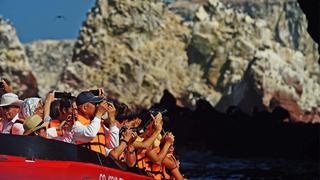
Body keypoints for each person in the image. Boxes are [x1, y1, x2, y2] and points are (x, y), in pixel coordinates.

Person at [73, 91, 109, 155]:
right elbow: (90, 134)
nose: (98, 106)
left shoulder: (97, 122)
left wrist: (112, 122)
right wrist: (99, 113)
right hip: (84, 162)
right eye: (95, 104)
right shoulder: (74, 123)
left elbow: (113, 144)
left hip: (100, 163)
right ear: (84, 108)